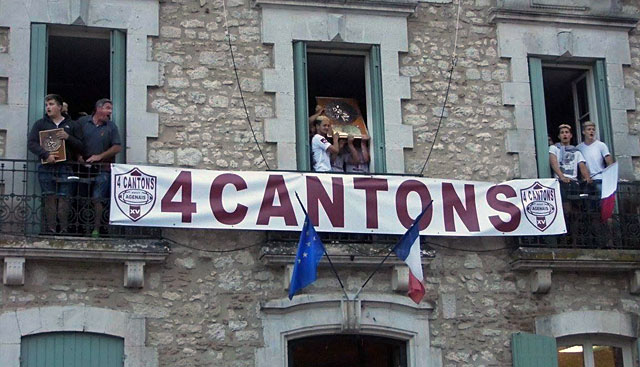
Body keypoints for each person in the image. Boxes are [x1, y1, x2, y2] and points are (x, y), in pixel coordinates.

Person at [27, 94, 83, 233]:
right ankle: (51, 230)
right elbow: (31, 143)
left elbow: (82, 146)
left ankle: (63, 229)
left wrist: (68, 137)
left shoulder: (73, 125)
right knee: (49, 198)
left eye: (51, 104)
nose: (48, 107)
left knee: (64, 198)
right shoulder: (40, 124)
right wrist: (45, 154)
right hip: (47, 166)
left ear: (59, 106)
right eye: (46, 105)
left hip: (66, 166)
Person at [78, 98, 122, 237]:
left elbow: (117, 147)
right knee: (82, 199)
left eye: (111, 109)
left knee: (98, 199)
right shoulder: (82, 122)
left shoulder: (111, 126)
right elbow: (74, 140)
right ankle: (82, 229)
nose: (110, 112)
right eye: (107, 108)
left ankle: (97, 229)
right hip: (82, 168)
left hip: (103, 169)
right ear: (98, 108)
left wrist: (100, 156)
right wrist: (78, 156)